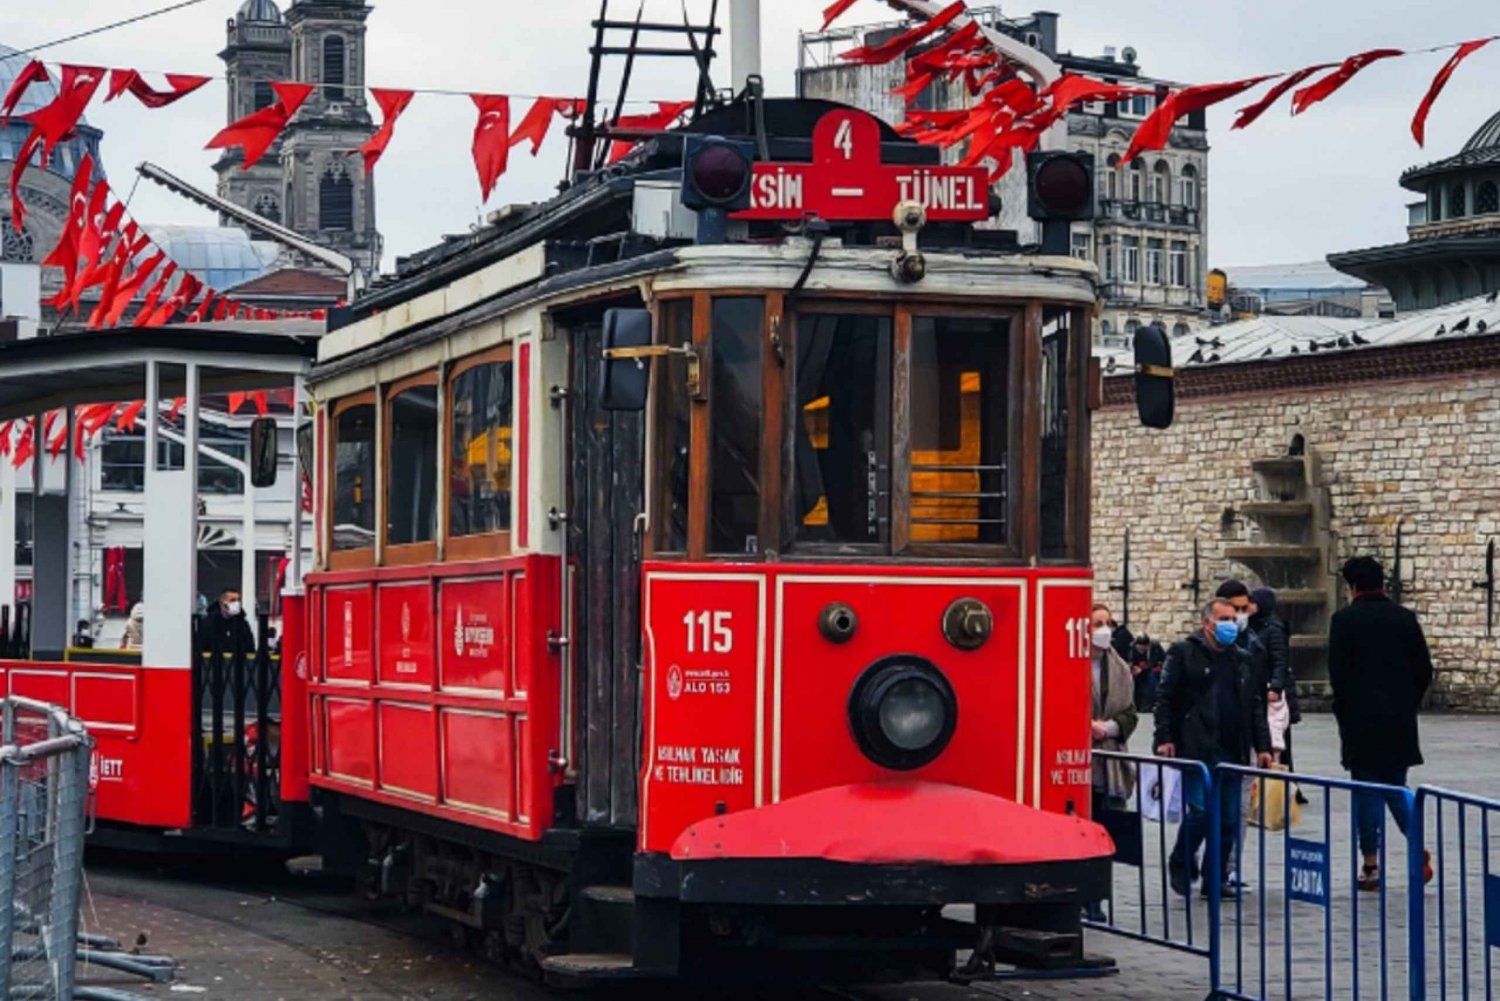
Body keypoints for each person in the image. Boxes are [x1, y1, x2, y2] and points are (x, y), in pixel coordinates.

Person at [1154, 597, 1275, 898]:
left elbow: (1255, 706)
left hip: (1232, 747)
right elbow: (1165, 698)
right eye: (1224, 619)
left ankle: (1215, 878)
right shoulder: (1184, 653)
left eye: (1233, 619)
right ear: (1207, 624)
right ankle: (1182, 858)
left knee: (1229, 819)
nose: (1230, 625)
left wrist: (1263, 745)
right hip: (1198, 745)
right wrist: (1164, 737)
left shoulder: (1242, 658)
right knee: (1200, 812)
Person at [1329, 556, 1434, 891]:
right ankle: (1416, 846)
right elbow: (1423, 669)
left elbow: (1338, 673)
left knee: (1367, 791)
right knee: (1397, 787)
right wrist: (1407, 702)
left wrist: (1345, 709)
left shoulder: (1344, 621)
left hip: (1361, 719)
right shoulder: (1404, 619)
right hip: (1398, 720)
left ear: (1353, 586)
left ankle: (1371, 863)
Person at [1087, 603, 1138, 921]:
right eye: (1097, 623)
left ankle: (1097, 898)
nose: (1104, 629)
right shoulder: (1067, 662)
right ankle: (1084, 896)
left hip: (1110, 761)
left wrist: (1107, 728)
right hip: (1079, 764)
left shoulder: (1118, 667)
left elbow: (1131, 713)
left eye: (1108, 623)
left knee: (1106, 831)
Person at [205, 589, 255, 654]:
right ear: (222, 602)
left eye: (238, 600)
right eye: (232, 600)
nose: (236, 603)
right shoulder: (209, 623)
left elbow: (250, 647)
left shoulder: (242, 624)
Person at [1129, 634, 1166, 711]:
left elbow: (1155, 661)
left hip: (1152, 670)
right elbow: (1131, 660)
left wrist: (1142, 669)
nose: (1141, 651)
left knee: (1151, 681)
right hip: (1138, 671)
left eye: (1143, 649)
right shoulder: (1132, 648)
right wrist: (1132, 667)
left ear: (1148, 646)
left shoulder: (1155, 648)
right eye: (1139, 649)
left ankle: (1147, 705)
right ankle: (1137, 705)